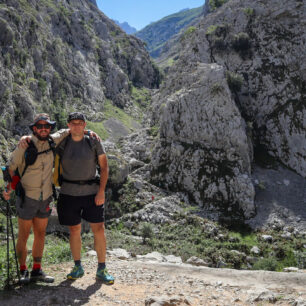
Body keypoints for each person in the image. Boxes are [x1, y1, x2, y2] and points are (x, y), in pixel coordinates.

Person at [2, 113, 98, 284]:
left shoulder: (53, 140)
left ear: (50, 128)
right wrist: (8, 188)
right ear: (34, 128)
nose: (43, 129)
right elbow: (11, 168)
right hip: (27, 197)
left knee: (40, 234)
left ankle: (37, 270)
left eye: (47, 126)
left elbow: (69, 130)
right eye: (40, 126)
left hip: (45, 197)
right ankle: (23, 270)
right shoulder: (25, 144)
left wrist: (88, 131)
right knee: (23, 235)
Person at [56, 112, 114, 284]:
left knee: (99, 229)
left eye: (80, 123)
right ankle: (77, 266)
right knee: (74, 230)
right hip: (68, 193)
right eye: (73, 123)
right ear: (68, 125)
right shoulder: (62, 142)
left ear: (84, 125)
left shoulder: (93, 140)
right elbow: (44, 141)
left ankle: (102, 268)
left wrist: (101, 191)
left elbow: (104, 167)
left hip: (91, 193)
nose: (76, 126)